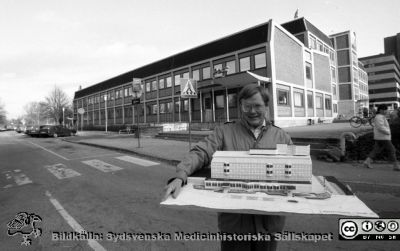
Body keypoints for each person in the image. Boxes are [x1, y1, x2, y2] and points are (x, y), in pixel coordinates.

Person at [163, 84, 292, 251]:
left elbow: (296, 167)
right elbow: (201, 152)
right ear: (240, 107)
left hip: (269, 223)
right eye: (247, 106)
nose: (252, 111)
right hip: (234, 225)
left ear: (266, 107)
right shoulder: (224, 132)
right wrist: (181, 175)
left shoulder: (281, 136)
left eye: (258, 106)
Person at [363, 104, 400, 171]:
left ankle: (367, 161)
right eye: (385, 109)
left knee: (376, 150)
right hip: (383, 137)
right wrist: (388, 132)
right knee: (392, 150)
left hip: (380, 136)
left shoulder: (380, 116)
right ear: (380, 110)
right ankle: (396, 166)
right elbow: (380, 127)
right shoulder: (379, 117)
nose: (386, 111)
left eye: (386, 109)